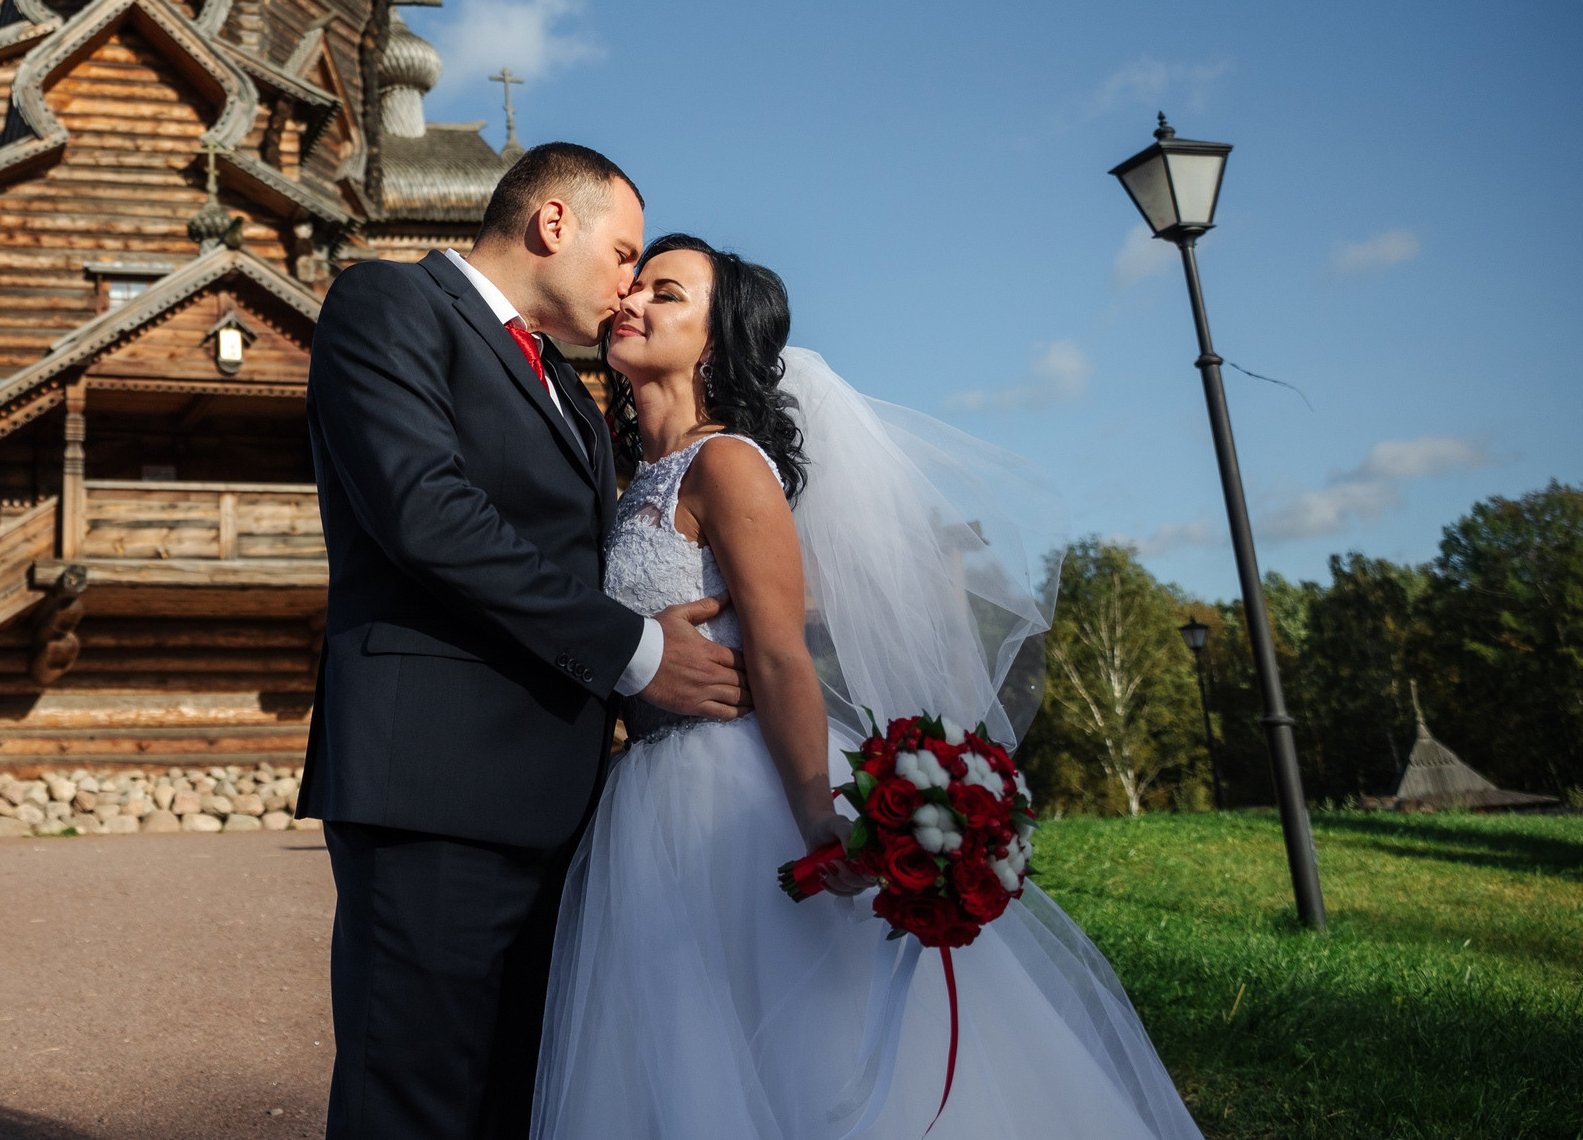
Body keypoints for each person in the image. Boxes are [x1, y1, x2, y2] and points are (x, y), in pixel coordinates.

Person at [530, 235, 1202, 1139]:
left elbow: (780, 655)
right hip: (644, 789)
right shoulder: (636, 479)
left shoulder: (726, 463)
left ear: (717, 344)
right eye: (637, 283)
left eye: (667, 291)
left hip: (725, 794)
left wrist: (816, 817)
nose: (632, 300)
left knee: (787, 1057)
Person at [299, 144, 751, 1139]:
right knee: (412, 1102)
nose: (629, 284)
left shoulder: (575, 402)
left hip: (559, 802)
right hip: (434, 783)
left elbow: (580, 565)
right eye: (623, 251)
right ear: (554, 224)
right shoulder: (389, 306)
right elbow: (428, 515)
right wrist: (637, 650)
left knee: (518, 1101)